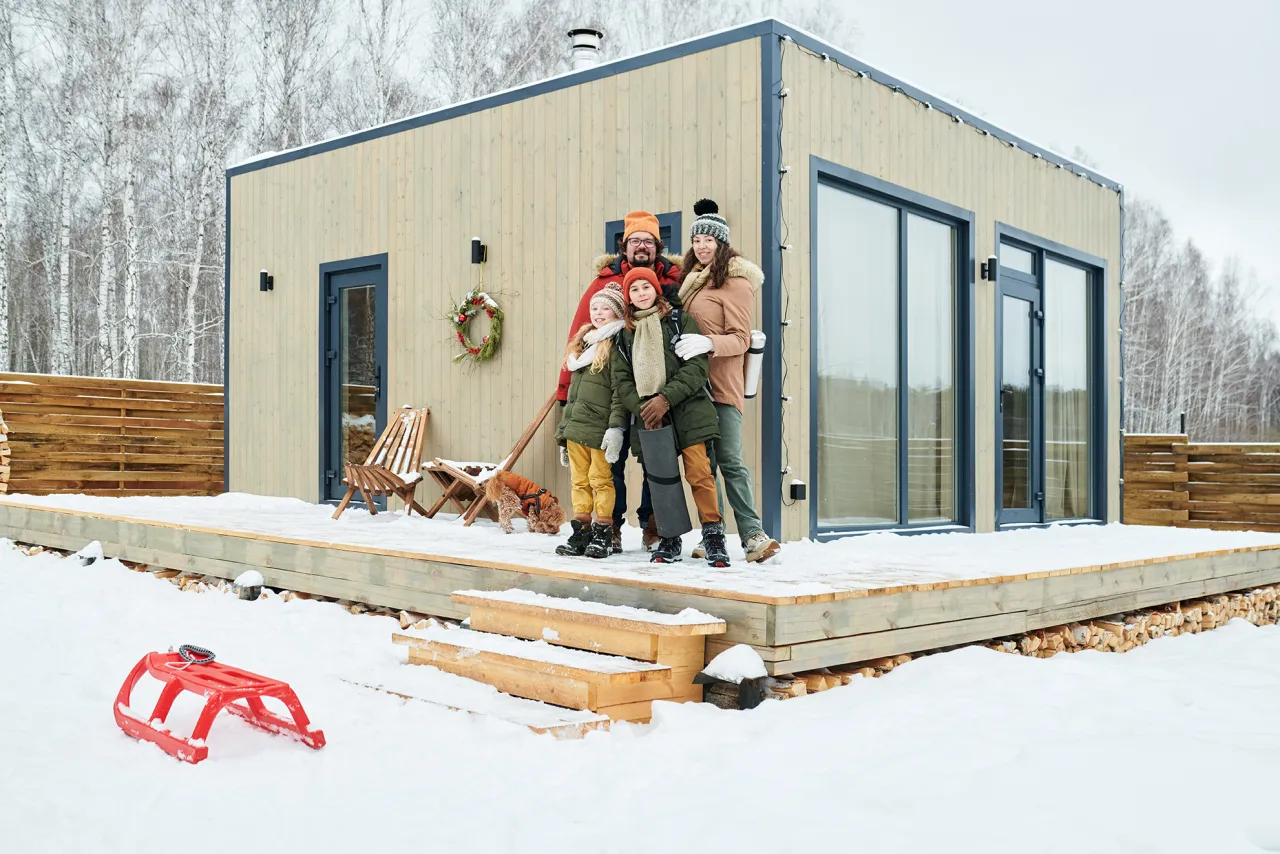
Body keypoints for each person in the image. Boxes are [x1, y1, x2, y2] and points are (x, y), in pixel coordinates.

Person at [557, 210, 682, 553]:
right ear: (624, 246)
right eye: (634, 241)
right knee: (608, 461)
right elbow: (580, 335)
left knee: (655, 460)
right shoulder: (604, 282)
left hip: (655, 389)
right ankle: (607, 527)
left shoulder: (673, 282)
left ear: (658, 246)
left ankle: (652, 526)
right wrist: (565, 392)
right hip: (608, 389)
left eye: (648, 241)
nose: (641, 247)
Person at [674, 199, 781, 563]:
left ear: (722, 244)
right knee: (704, 466)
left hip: (721, 387)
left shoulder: (735, 282)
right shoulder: (690, 283)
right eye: (697, 239)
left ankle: (753, 535)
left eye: (709, 240)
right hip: (690, 389)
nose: (702, 245)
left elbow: (740, 338)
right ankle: (711, 533)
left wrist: (708, 343)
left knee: (730, 460)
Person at [611, 266, 727, 566]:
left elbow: (697, 367)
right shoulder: (624, 335)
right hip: (651, 417)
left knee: (700, 473)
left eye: (645, 287)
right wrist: (645, 408)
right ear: (628, 297)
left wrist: (665, 398)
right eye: (634, 290)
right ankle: (670, 538)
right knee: (660, 479)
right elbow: (621, 381)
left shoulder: (678, 320)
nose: (641, 293)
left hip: (689, 409)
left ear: (656, 290)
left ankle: (714, 535)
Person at [554, 282, 628, 559]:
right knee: (578, 482)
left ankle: (603, 533)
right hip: (576, 429)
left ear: (617, 313)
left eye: (606, 308)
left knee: (600, 480)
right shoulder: (583, 345)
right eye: (594, 308)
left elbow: (620, 392)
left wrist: (616, 428)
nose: (598, 313)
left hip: (599, 428)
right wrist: (564, 433)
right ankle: (581, 532)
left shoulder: (617, 344)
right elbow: (573, 396)